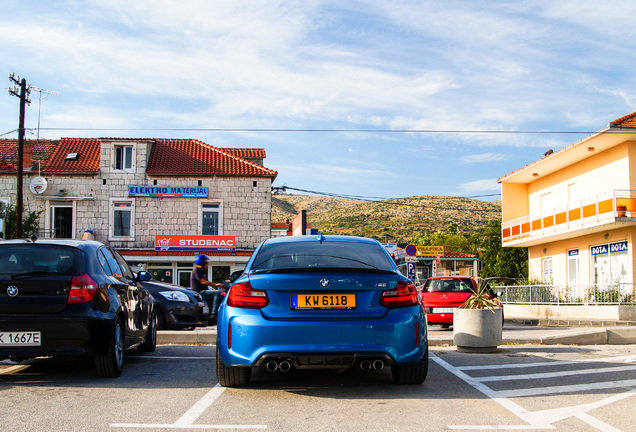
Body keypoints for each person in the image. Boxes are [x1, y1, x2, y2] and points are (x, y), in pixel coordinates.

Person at [190, 254, 226, 324]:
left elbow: (205, 282)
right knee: (218, 293)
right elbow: (202, 281)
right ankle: (213, 314)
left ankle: (209, 318)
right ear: (202, 263)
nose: (207, 265)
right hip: (199, 292)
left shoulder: (201, 272)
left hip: (203, 291)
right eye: (206, 263)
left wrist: (215, 285)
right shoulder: (196, 270)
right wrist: (215, 284)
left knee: (212, 299)